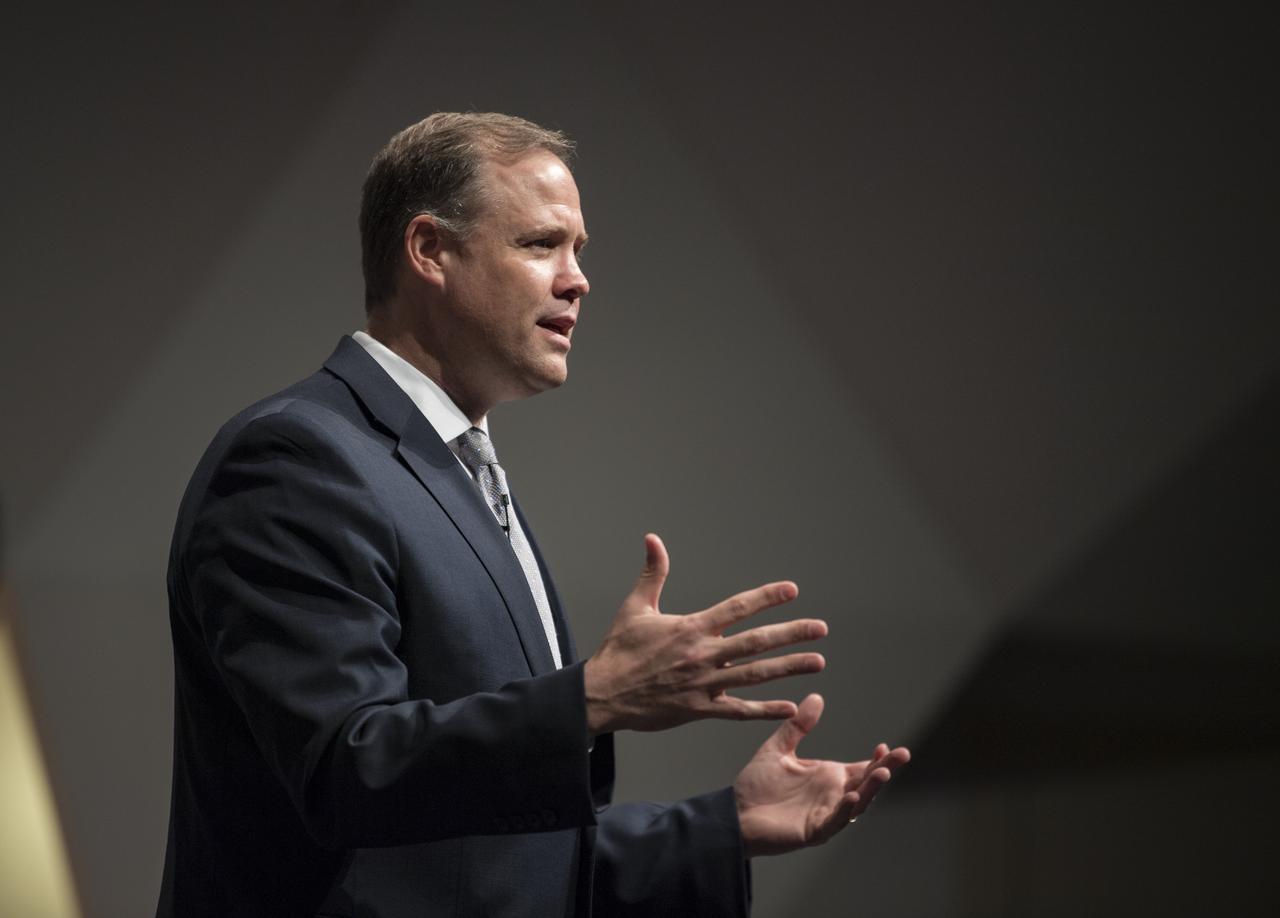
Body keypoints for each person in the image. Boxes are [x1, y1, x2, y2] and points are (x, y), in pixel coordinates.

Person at [156, 112, 910, 918]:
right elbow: (349, 773)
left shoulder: (460, 471)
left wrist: (722, 827)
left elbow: (486, 856)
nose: (578, 278)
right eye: (541, 244)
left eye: (578, 251)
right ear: (429, 251)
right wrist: (591, 700)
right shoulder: (298, 462)